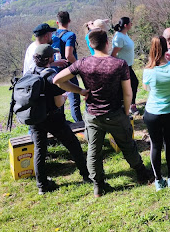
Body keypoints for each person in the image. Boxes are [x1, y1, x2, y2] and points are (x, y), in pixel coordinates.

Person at [53, 29, 150, 197]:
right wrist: (126, 111)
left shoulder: (83, 63)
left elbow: (57, 80)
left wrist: (80, 91)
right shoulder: (119, 64)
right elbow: (128, 93)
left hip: (93, 115)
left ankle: (98, 186)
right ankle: (141, 174)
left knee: (93, 150)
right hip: (115, 113)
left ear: (90, 44)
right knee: (127, 145)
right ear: (107, 43)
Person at [27, 44, 90, 194]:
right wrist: (64, 97)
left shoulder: (30, 72)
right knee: (73, 145)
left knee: (40, 150)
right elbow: (58, 103)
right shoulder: (51, 76)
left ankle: (42, 186)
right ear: (50, 58)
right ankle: (87, 175)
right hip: (52, 118)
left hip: (35, 118)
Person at [142, 36, 170, 190]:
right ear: (166, 48)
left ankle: (159, 181)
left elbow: (146, 88)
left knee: (155, 144)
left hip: (152, 113)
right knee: (169, 142)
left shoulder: (148, 71)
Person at [52, 11, 82, 122]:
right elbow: (69, 55)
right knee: (74, 99)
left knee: (59, 99)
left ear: (57, 22)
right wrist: (78, 65)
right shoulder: (70, 35)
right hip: (68, 71)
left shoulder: (52, 35)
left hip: (55, 71)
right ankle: (79, 125)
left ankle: (61, 124)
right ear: (69, 21)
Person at [111, 17, 139, 116]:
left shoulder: (124, 34)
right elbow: (113, 54)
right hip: (122, 67)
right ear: (126, 25)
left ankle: (128, 105)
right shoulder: (119, 37)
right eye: (130, 23)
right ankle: (129, 106)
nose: (132, 24)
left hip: (128, 66)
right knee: (133, 84)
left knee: (132, 84)